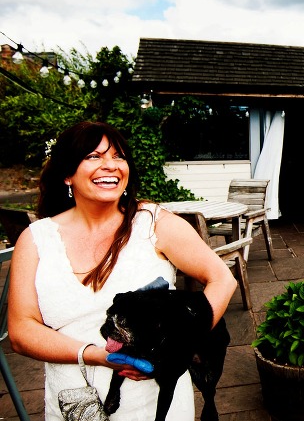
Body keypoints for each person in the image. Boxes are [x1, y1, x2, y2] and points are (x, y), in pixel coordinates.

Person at [8, 121, 237, 420]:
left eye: (118, 156)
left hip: (153, 406)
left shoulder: (153, 223)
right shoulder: (36, 239)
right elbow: (21, 330)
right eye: (94, 156)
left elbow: (222, 279)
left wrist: (180, 345)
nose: (111, 165)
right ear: (67, 174)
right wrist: (97, 355)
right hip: (73, 404)